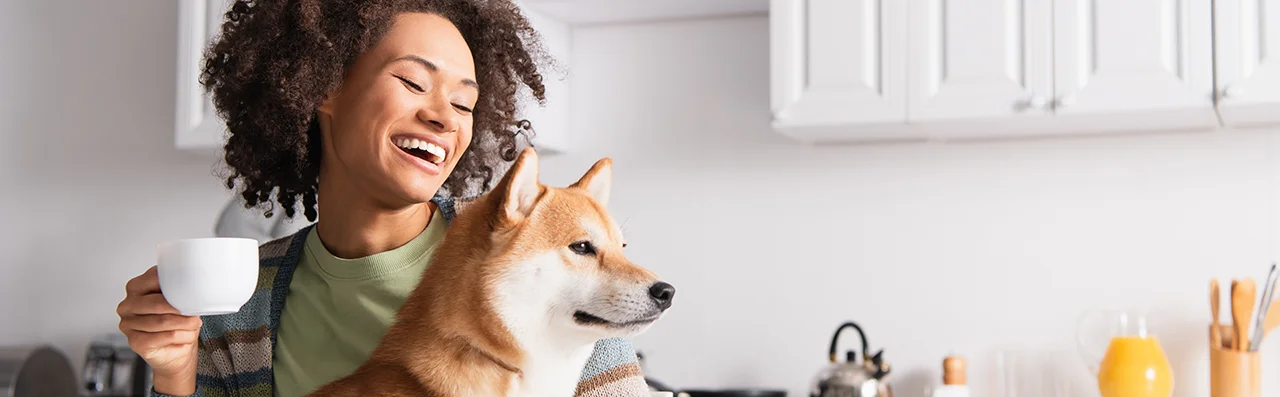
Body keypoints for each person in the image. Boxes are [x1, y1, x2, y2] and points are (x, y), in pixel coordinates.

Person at [114, 1, 651, 396]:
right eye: (414, 83)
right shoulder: (240, 302)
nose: (443, 116)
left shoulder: (536, 263)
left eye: (464, 103)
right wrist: (174, 371)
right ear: (323, 85)